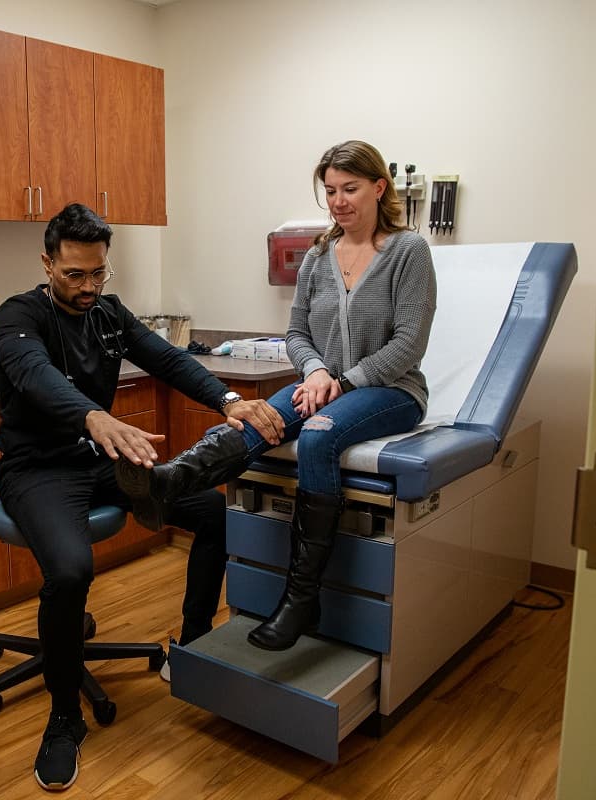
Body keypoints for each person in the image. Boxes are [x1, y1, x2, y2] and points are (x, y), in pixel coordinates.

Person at [0, 203, 283, 792]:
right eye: (74, 274)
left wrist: (228, 401)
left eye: (98, 272)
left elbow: (168, 358)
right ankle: (64, 719)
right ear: (47, 264)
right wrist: (94, 416)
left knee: (216, 514)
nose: (88, 287)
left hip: (100, 462)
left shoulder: (108, 314)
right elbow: (34, 374)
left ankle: (192, 645)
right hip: (38, 469)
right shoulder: (19, 316)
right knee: (70, 571)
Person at [117, 139, 437, 652]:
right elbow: (296, 334)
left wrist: (342, 382)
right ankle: (167, 482)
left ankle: (301, 598)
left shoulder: (408, 252)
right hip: (320, 383)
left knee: (318, 436)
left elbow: (409, 342)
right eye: (330, 190)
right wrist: (315, 372)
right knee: (258, 416)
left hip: (391, 389)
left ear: (380, 188)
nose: (338, 201)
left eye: (350, 189)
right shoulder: (318, 255)